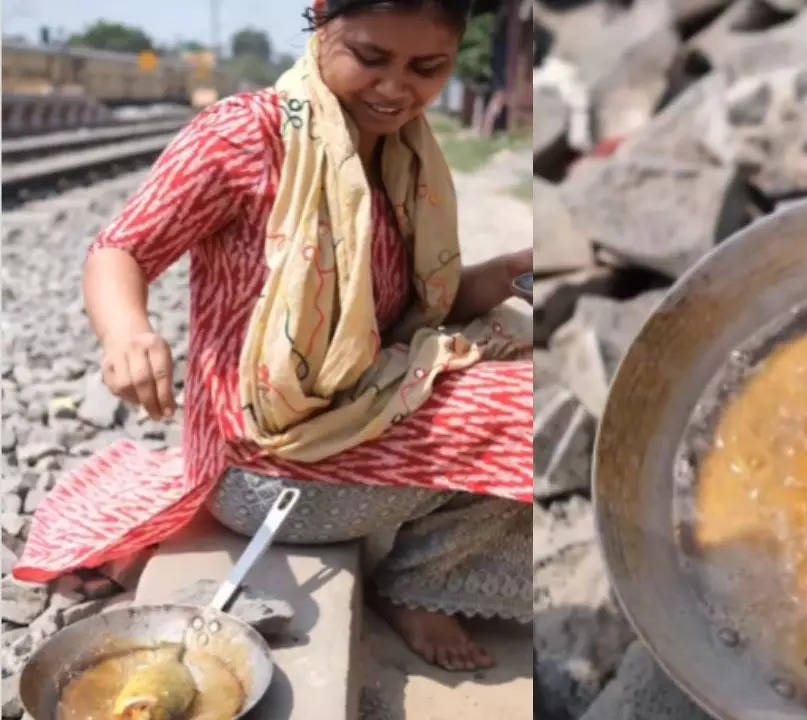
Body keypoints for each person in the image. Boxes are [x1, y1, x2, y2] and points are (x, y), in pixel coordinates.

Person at [14, 0, 533, 673]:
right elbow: (120, 250)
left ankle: (433, 568)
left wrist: (503, 275)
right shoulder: (245, 136)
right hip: (264, 461)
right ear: (320, 23)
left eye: (425, 67)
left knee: (528, 349)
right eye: (370, 58)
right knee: (530, 414)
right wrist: (126, 332)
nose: (395, 87)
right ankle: (418, 587)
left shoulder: (404, 155)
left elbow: (408, 312)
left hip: (355, 417)